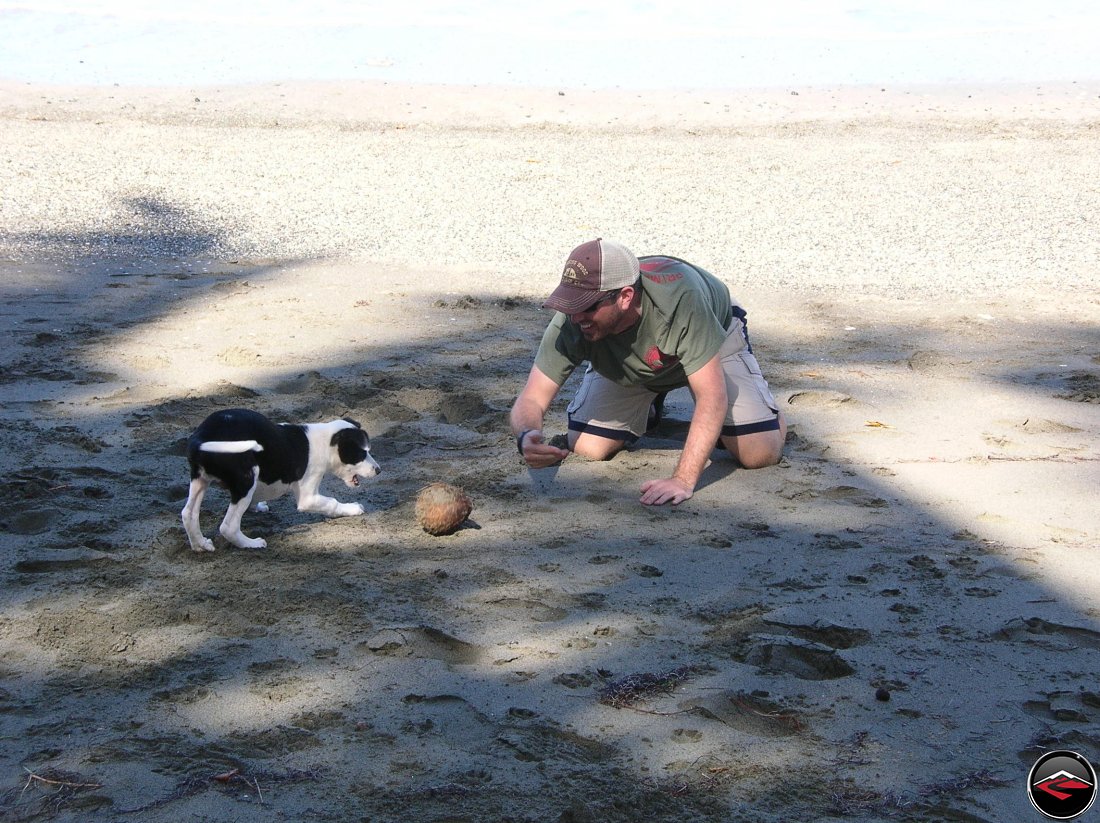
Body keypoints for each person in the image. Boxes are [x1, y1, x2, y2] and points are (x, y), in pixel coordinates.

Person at [510, 238, 786, 506]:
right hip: (634, 358)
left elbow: (711, 397)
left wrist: (682, 479)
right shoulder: (575, 320)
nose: (576, 316)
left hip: (714, 328)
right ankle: (650, 402)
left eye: (587, 305)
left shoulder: (683, 299)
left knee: (757, 453)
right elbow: (532, 399)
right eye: (570, 303)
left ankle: (767, 414)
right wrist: (526, 435)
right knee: (589, 447)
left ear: (625, 297)